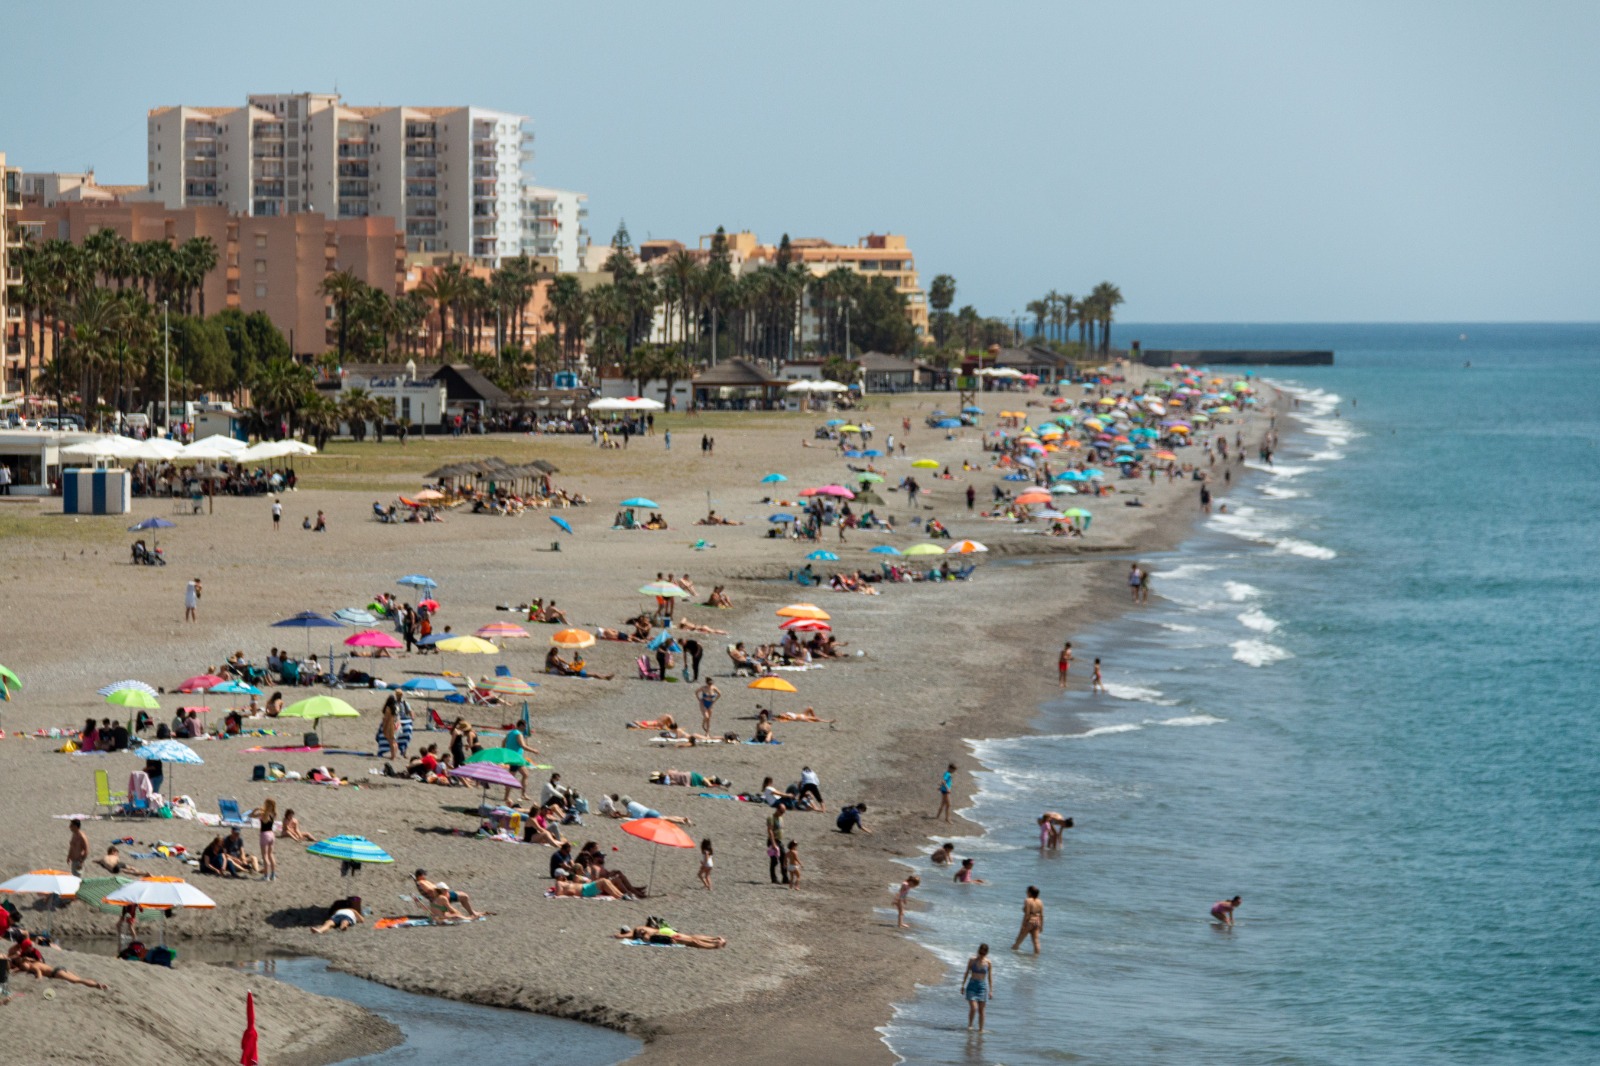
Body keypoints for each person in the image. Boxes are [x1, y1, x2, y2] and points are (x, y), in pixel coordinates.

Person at [415, 870, 487, 918]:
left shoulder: (424, 881)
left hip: (443, 892)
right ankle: (470, 914)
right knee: (463, 897)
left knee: (464, 896)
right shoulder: (421, 883)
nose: (425, 876)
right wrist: (439, 889)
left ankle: (472, 913)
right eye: (424, 874)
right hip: (441, 894)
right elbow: (430, 890)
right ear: (420, 876)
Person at [611, 923, 726, 949]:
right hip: (665, 931)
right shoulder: (641, 927)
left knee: (692, 942)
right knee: (692, 938)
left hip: (664, 934)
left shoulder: (635, 932)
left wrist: (614, 936)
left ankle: (715, 945)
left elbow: (619, 936)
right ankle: (715, 939)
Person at [962, 944, 994, 1031]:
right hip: (972, 985)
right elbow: (966, 973)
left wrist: (991, 990)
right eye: (980, 952)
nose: (981, 955)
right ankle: (970, 1025)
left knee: (981, 1010)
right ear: (978, 951)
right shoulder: (972, 961)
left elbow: (990, 977)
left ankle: (981, 1029)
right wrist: (963, 985)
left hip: (982, 986)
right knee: (973, 1008)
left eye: (983, 953)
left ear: (986, 953)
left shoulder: (988, 963)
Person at [249, 798, 278, 881]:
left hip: (264, 835)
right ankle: (273, 875)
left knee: (265, 856)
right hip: (272, 834)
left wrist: (255, 809)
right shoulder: (273, 814)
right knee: (271, 855)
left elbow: (251, 815)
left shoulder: (262, 814)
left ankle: (266, 876)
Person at [1011, 886, 1044, 954]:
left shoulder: (1028, 900)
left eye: (1027, 891)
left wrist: (1023, 925)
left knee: (1019, 940)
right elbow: (1042, 915)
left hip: (1030, 921)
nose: (1026, 892)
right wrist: (1041, 926)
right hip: (1037, 921)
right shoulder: (1040, 902)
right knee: (1036, 941)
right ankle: (1036, 958)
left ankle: (1011, 955)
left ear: (1030, 893)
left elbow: (1027, 914)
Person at [551, 872, 626, 899]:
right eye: (563, 875)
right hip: (584, 890)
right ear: (559, 876)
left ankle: (622, 895)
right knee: (603, 881)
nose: (565, 877)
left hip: (585, 888)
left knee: (606, 881)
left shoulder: (565, 882)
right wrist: (568, 893)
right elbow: (558, 894)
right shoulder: (559, 883)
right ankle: (619, 896)